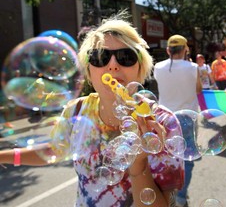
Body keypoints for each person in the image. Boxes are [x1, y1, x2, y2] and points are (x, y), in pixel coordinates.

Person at [0, 12, 184, 206]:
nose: (112, 65)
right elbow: (54, 149)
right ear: (89, 71)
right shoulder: (77, 110)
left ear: (141, 67)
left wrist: (138, 165)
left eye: (126, 56)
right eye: (99, 57)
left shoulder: (163, 124)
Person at [154, 34, 202, 207]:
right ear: (185, 49)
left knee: (168, 157)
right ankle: (181, 198)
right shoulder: (193, 67)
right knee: (186, 159)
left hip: (164, 118)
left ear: (168, 50)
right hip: (187, 118)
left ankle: (167, 193)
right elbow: (198, 89)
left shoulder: (158, 67)